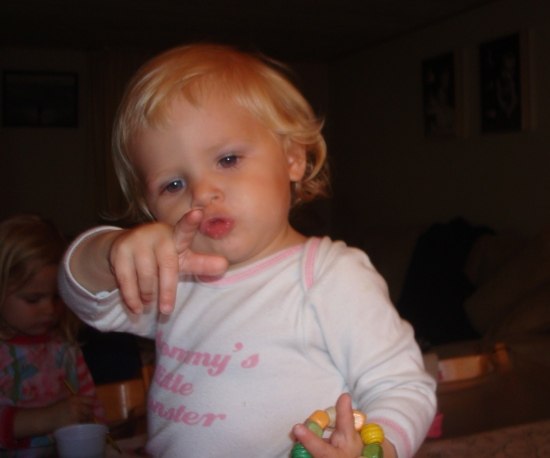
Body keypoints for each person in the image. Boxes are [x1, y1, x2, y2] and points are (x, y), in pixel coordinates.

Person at [58, 43, 436, 458]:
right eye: (173, 184)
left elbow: (401, 385)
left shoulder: (329, 276)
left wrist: (377, 450)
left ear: (292, 158)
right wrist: (110, 250)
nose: (202, 192)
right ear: (150, 208)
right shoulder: (177, 278)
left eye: (227, 159)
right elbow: (87, 299)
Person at [0, 214, 104, 457]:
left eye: (57, 297)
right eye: (33, 299)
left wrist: (103, 443)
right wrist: (47, 418)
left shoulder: (65, 348)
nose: (49, 309)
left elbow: (91, 407)